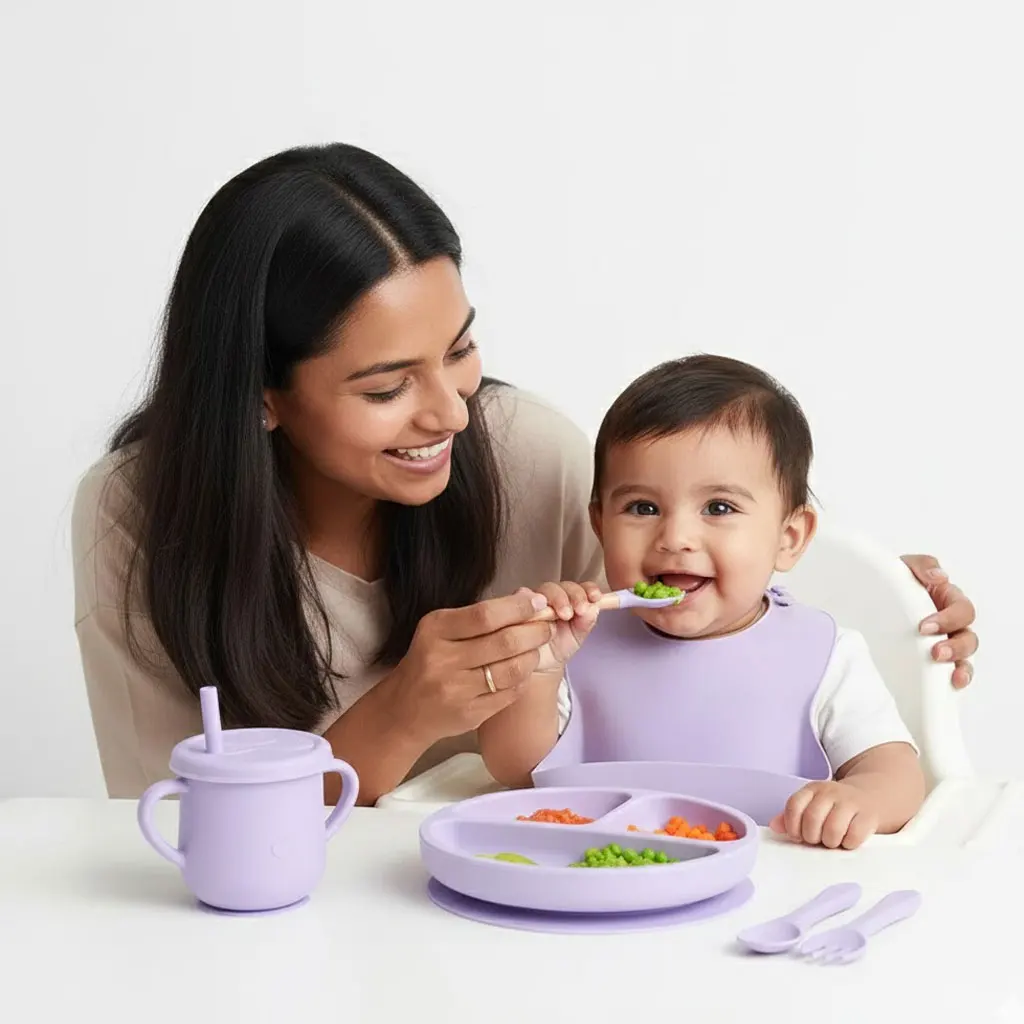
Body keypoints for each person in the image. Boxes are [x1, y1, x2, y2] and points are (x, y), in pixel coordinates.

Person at [72, 143, 978, 806]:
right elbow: (180, 829)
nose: (452, 413)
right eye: (388, 387)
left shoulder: (528, 452)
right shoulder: (137, 515)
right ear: (261, 395)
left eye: (459, 351)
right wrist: (400, 717)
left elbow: (685, 610)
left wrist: (890, 600)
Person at [478, 355, 925, 849]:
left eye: (719, 507)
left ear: (789, 538)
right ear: (601, 526)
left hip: (773, 875)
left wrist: (860, 799)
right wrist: (540, 670)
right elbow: (515, 771)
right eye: (643, 507)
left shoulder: (824, 653)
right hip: (603, 870)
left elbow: (897, 773)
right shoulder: (576, 646)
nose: (676, 537)